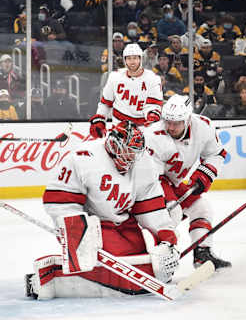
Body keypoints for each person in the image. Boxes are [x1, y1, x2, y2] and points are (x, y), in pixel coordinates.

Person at [25, 121, 179, 299]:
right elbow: (59, 198)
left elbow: (149, 203)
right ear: (114, 145)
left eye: (135, 153)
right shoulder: (84, 157)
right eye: (128, 152)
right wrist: (76, 229)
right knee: (130, 278)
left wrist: (165, 234)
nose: (132, 158)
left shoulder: (143, 162)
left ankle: (68, 275)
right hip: (95, 225)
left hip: (125, 224)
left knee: (145, 267)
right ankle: (50, 275)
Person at [144, 95, 230, 270]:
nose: (171, 127)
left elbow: (216, 154)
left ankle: (202, 253)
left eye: (176, 123)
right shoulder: (153, 135)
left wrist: (205, 174)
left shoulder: (203, 127)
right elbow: (152, 178)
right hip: (152, 182)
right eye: (167, 121)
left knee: (202, 207)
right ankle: (158, 255)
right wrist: (169, 201)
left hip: (174, 181)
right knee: (172, 213)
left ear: (188, 119)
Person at [89, 43, 163, 138]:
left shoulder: (153, 78)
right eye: (129, 58)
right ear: (124, 60)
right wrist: (100, 120)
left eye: (135, 58)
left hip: (143, 129)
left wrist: (152, 115)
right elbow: (105, 103)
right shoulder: (114, 77)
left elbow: (154, 105)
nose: (132, 62)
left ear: (140, 59)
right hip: (119, 128)